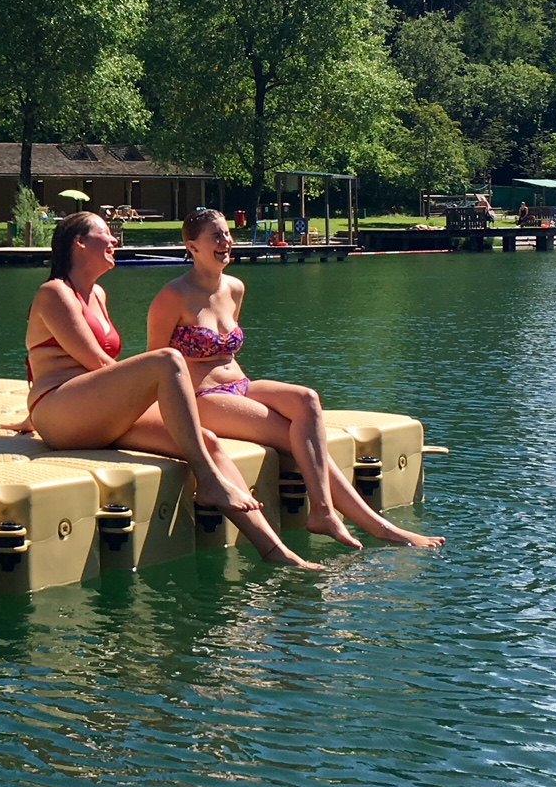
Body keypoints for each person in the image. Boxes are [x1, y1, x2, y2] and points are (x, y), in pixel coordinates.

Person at [23, 212, 315, 569]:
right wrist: (35, 416)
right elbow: (96, 364)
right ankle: (209, 481)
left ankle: (275, 551)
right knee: (167, 360)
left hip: (97, 412)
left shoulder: (98, 293)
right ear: (80, 243)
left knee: (206, 441)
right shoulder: (54, 293)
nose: (114, 240)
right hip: (60, 413)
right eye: (105, 233)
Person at [146, 208, 442, 550]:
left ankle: (324, 510)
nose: (226, 241)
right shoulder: (173, 295)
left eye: (227, 234)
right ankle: (372, 525)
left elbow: (228, 353)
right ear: (192, 246)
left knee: (307, 400)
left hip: (240, 385)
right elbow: (156, 364)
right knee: (289, 434)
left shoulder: (235, 288)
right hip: (201, 397)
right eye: (216, 236)